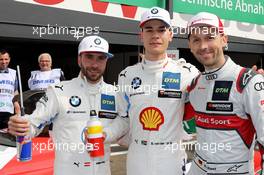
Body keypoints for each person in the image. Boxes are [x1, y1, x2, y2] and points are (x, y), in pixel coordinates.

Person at [104, 7, 199, 175]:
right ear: (141, 35)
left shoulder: (187, 72)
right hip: (137, 156)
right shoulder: (127, 75)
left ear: (170, 35)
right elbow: (124, 120)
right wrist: (105, 134)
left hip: (171, 157)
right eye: (149, 30)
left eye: (161, 30)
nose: (155, 35)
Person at [8, 35, 123, 175]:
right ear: (79, 59)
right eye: (89, 57)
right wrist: (21, 126)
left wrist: (107, 134)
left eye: (101, 58)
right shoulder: (58, 91)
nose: (95, 64)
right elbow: (33, 124)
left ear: (106, 60)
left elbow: (125, 123)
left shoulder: (115, 93)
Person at [185, 12, 264, 175]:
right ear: (190, 46)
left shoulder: (248, 81)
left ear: (224, 39)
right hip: (197, 168)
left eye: (209, 37)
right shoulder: (194, 84)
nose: (203, 46)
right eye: (196, 40)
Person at [0, 49, 18, 129]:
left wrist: (18, 109)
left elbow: (15, 92)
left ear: (9, 59)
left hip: (8, 110)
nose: (4, 62)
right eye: (1, 59)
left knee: (6, 138)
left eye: (6, 59)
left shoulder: (13, 73)